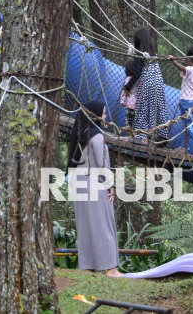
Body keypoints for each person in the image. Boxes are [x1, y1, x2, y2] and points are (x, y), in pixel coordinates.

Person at [66, 100, 122, 277]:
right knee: (103, 224)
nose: (105, 116)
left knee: (87, 226)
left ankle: (88, 266)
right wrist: (110, 185)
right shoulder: (97, 136)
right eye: (103, 113)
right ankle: (111, 268)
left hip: (80, 186)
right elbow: (102, 164)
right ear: (94, 115)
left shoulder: (82, 134)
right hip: (94, 186)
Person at [128, 28, 168, 145]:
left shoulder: (141, 55)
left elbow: (136, 74)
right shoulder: (154, 54)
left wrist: (127, 86)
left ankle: (143, 137)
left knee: (142, 109)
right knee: (156, 109)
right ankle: (159, 136)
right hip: (158, 85)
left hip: (146, 85)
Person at [119, 58, 139, 128]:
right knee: (135, 123)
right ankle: (134, 137)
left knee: (129, 123)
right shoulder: (138, 79)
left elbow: (124, 91)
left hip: (130, 105)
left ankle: (129, 138)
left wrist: (122, 100)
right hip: (137, 105)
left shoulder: (128, 79)